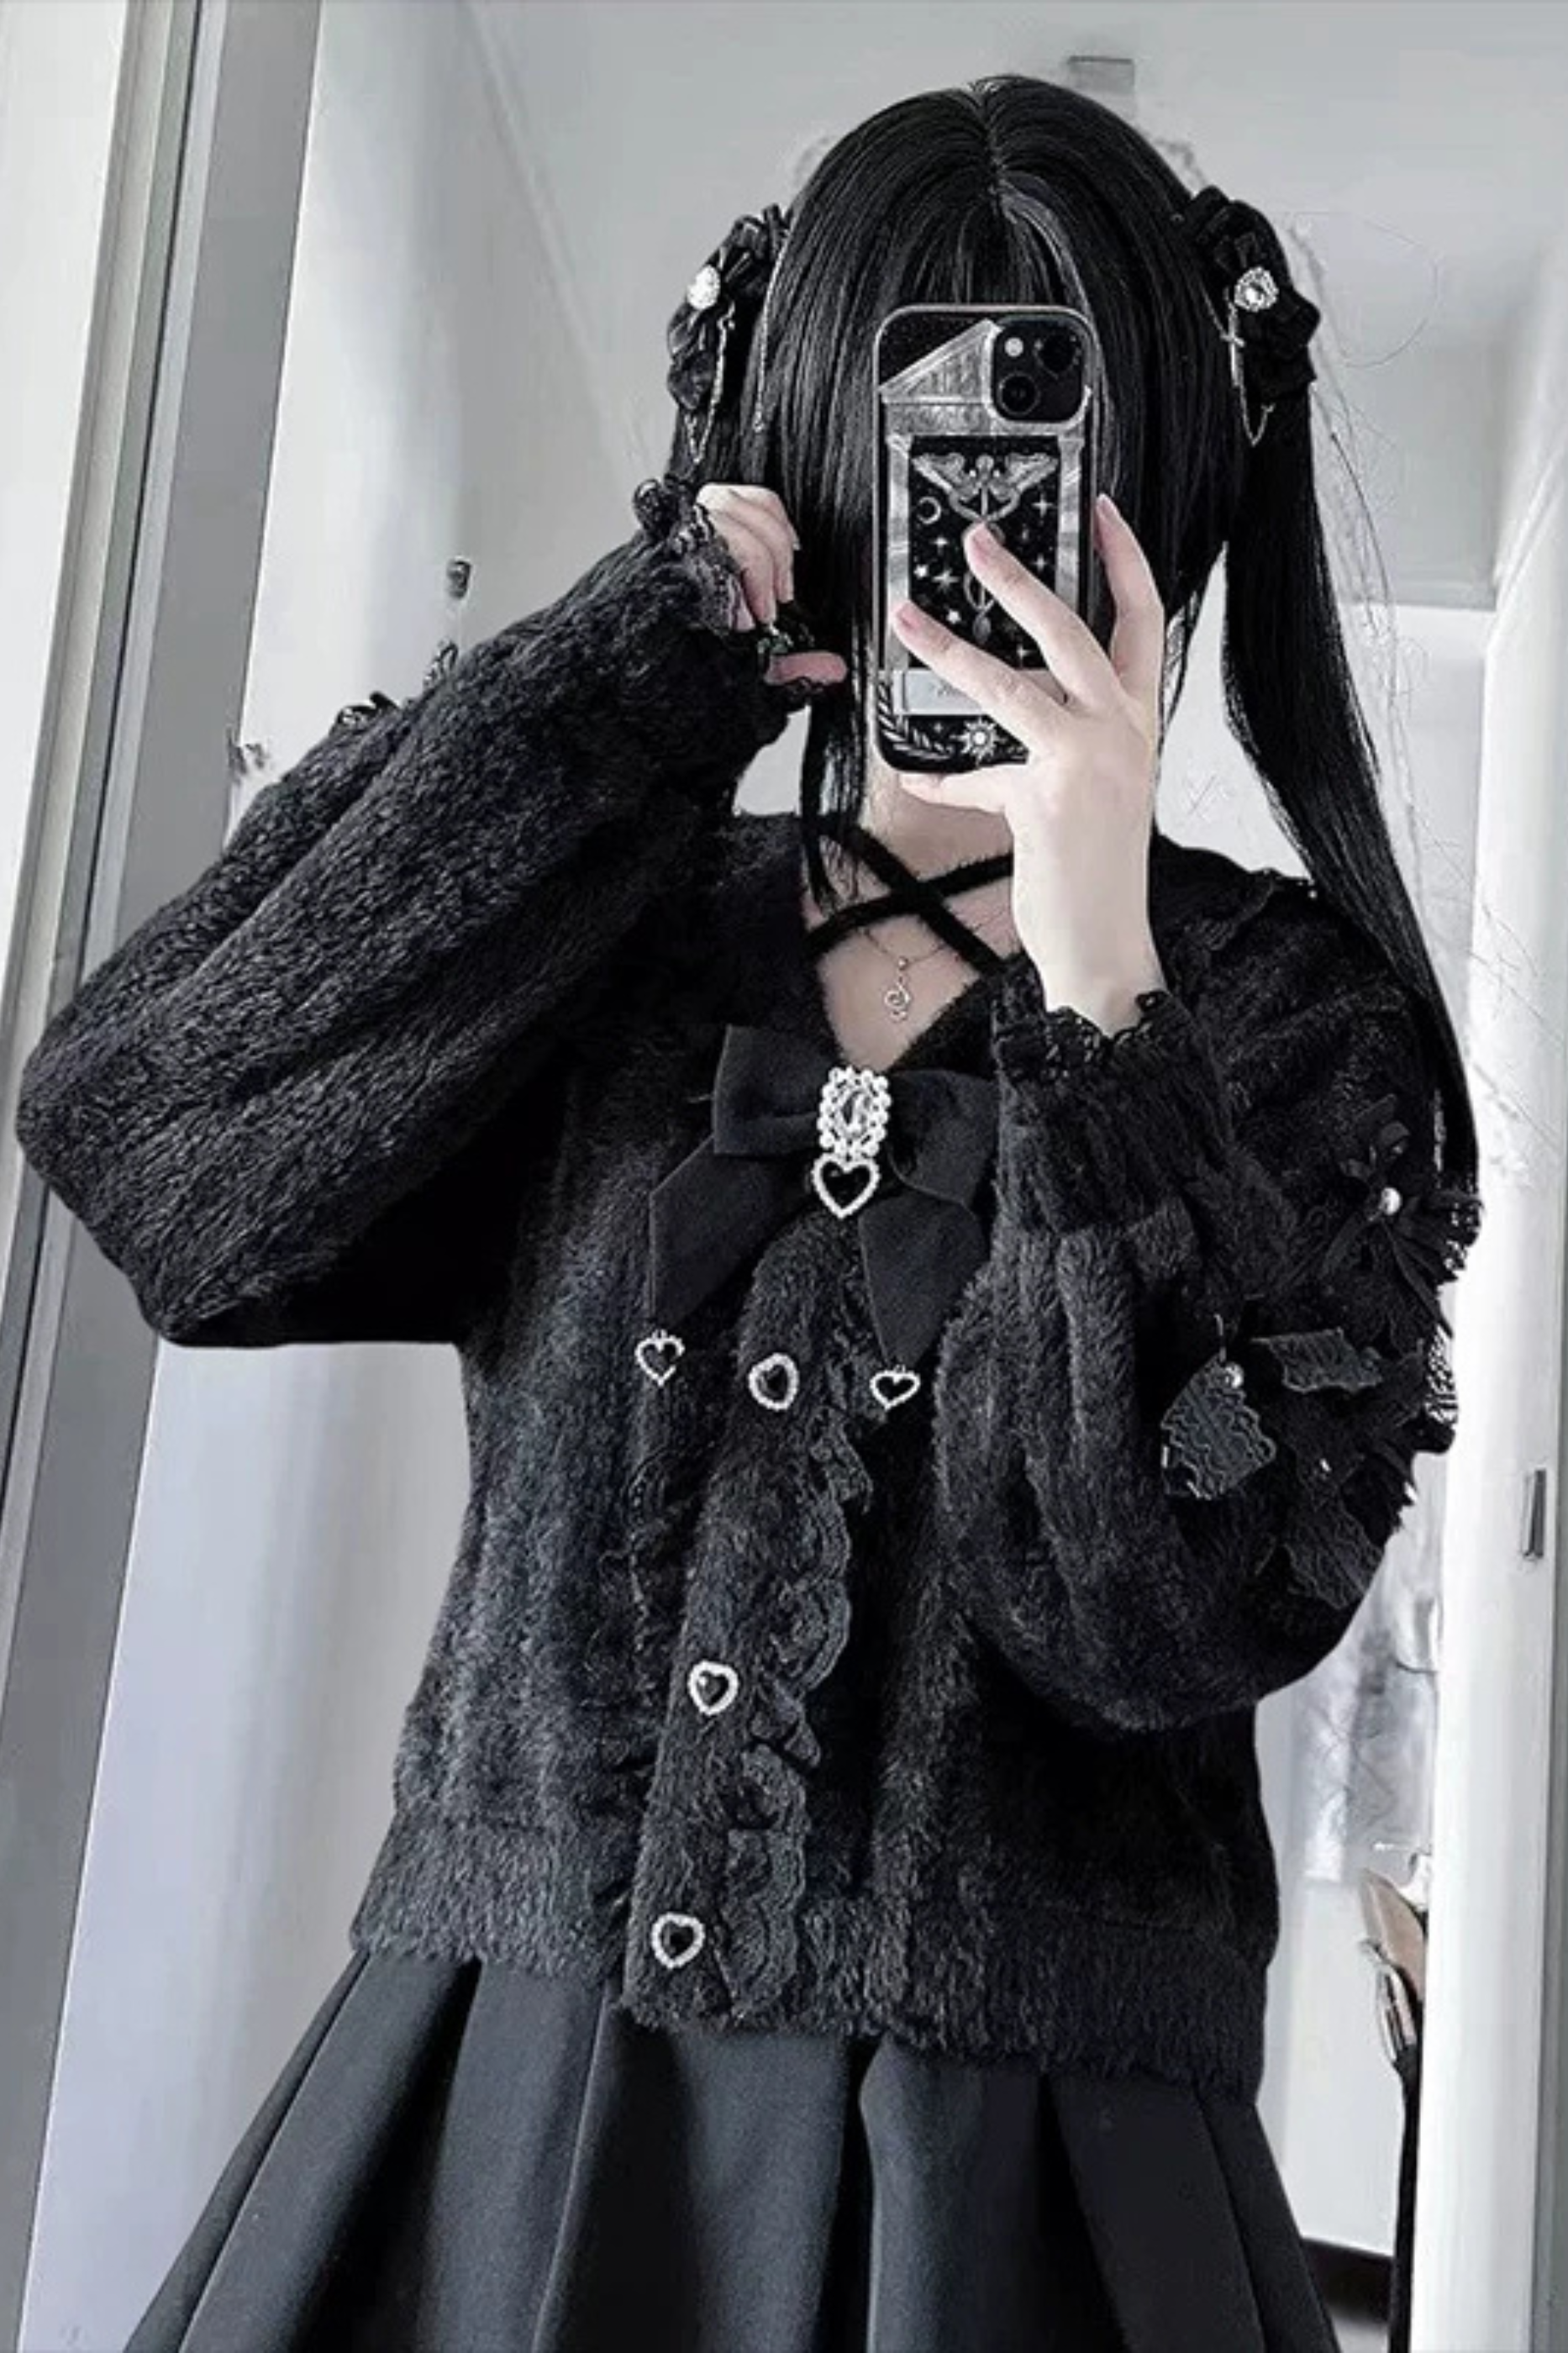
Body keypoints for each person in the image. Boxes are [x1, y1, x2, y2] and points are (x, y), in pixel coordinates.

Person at [16, 71, 1484, 2353]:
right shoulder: (608, 923)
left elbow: (1161, 1602)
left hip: (1024, 2214)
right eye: (912, 440)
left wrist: (1101, 988)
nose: (972, 524)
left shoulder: (1294, 1034)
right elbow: (156, 1152)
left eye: (1044, 450)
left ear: (1170, 498)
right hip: (500, 2136)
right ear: (805, 439)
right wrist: (639, 663)